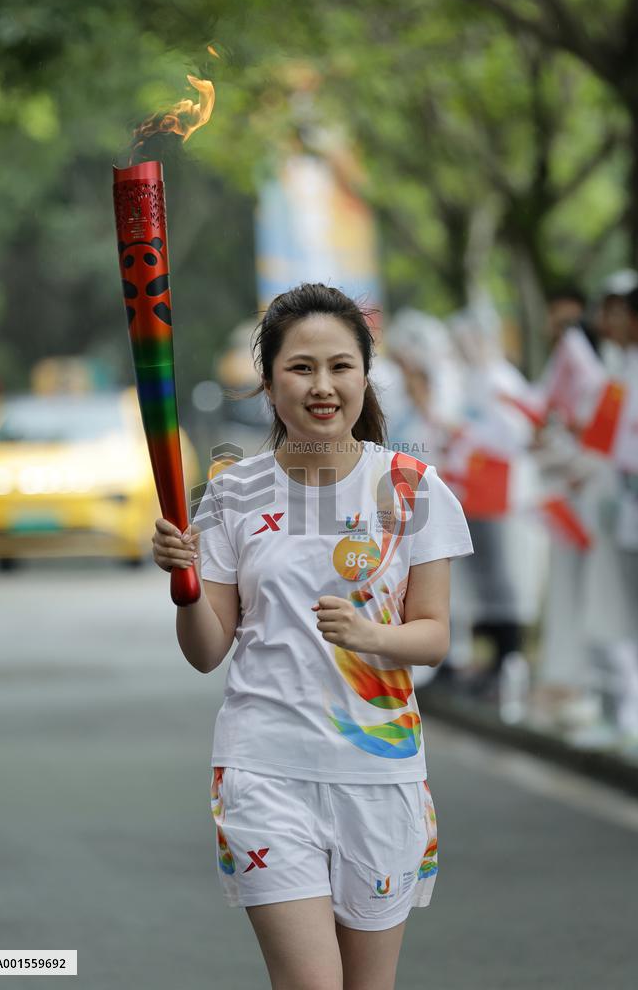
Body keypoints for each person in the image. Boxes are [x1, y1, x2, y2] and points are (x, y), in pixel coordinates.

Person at [152, 283, 473, 990]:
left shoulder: (413, 489)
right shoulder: (232, 494)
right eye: (300, 368)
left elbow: (434, 637)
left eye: (339, 366)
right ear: (269, 385)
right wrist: (185, 583)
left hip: (379, 773)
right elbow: (206, 651)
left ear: (365, 376)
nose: (322, 385)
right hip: (264, 770)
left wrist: (369, 635)